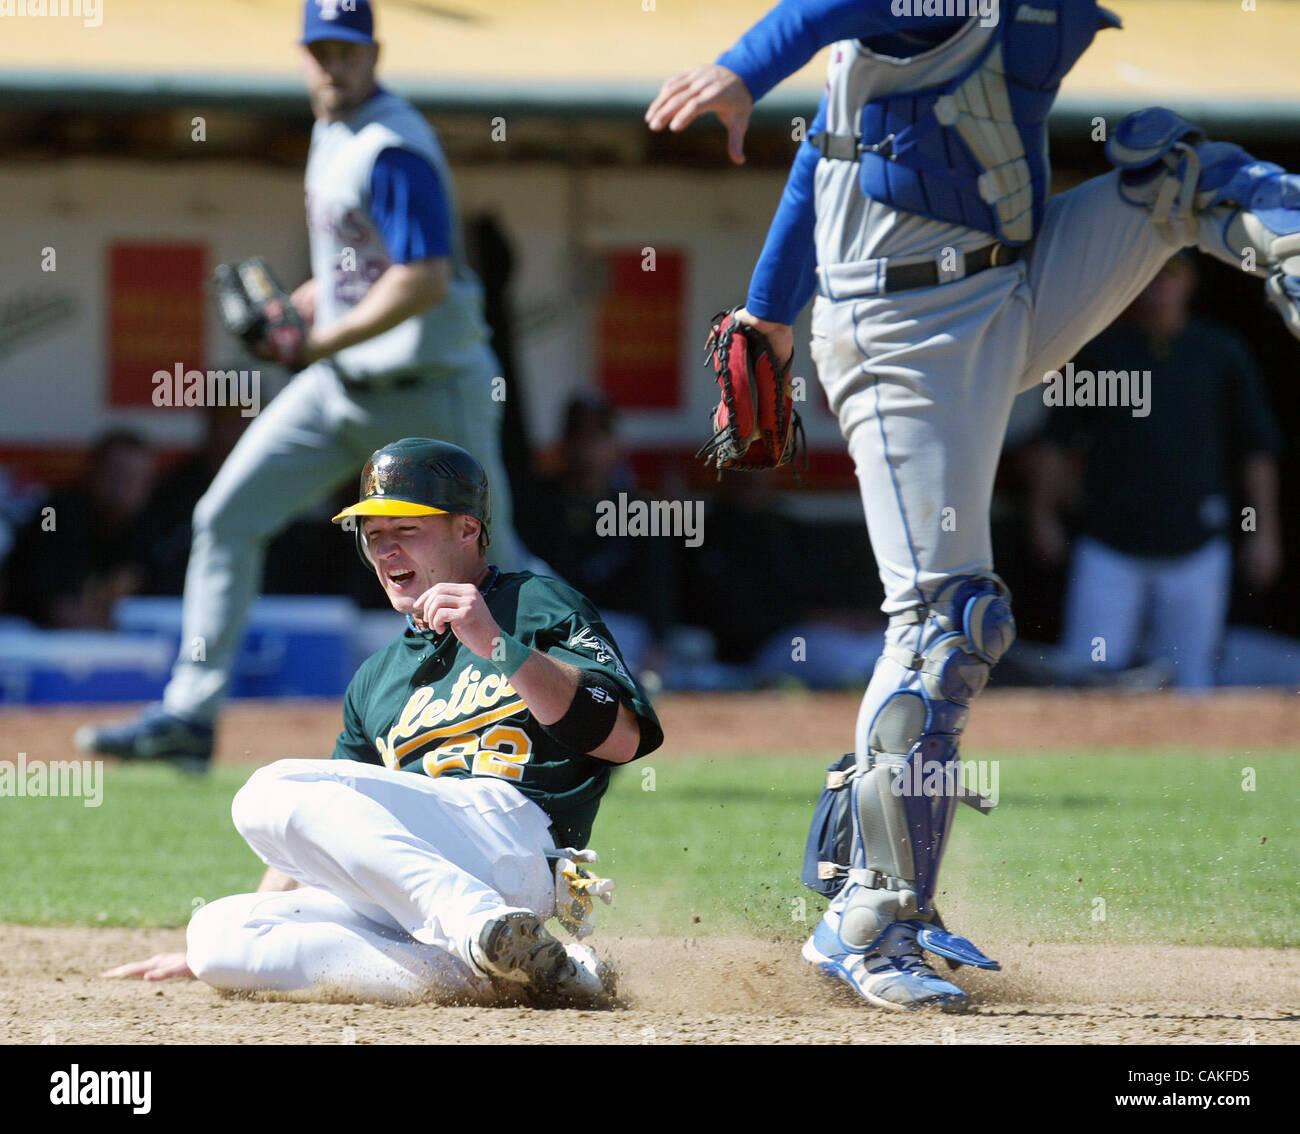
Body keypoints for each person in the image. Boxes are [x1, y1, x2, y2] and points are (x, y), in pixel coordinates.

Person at [647, 0, 1300, 1011]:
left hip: (1012, 286)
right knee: (949, 622)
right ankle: (869, 917)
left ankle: (861, 836)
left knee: (1182, 174)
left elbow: (830, 137)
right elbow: (833, 20)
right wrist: (740, 75)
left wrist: (769, 318)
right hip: (898, 327)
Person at [77, 0, 525, 768]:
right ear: (301, 54)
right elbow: (361, 269)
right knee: (226, 515)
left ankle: (581, 682)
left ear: (373, 54)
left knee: (496, 556)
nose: (332, 63)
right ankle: (191, 713)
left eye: (346, 50)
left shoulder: (392, 145)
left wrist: (314, 338)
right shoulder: (330, 131)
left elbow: (422, 279)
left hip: (430, 387)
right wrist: (303, 307)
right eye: (320, 49)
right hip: (343, 382)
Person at [101, 439, 663, 1006]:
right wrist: (241, 928)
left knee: (266, 792)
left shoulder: (534, 602)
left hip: (513, 841)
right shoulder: (376, 678)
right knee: (219, 936)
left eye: (407, 529)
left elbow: (621, 738)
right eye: (373, 534)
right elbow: (327, 826)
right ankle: (524, 970)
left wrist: (498, 645)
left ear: (468, 530)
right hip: (417, 878)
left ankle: (479, 924)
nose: (386, 549)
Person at [1029, 254, 1284, 690]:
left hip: (1196, 544)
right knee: (1087, 675)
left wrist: (1264, 532)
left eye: (1170, 278)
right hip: (1110, 545)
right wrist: (1043, 514)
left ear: (1190, 283)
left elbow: (1256, 448)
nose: (1158, 290)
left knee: (1190, 678)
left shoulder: (1220, 351)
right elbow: (1056, 442)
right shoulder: (1099, 351)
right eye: (1149, 279)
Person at [2, 430, 155, 630]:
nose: (121, 489)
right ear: (91, 472)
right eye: (114, 475)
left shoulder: (154, 528)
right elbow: (52, 604)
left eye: (133, 479)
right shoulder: (53, 514)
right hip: (31, 638)